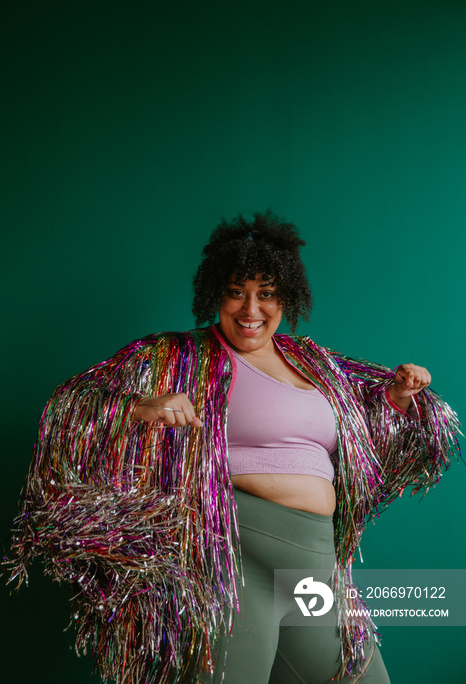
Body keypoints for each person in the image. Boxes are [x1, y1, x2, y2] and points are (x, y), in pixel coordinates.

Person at [7, 211, 460, 684]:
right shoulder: (177, 356)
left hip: (315, 561)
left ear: (286, 297)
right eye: (235, 292)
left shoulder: (315, 362)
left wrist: (397, 399)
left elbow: (362, 444)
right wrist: (141, 407)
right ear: (214, 296)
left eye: (266, 294)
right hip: (231, 555)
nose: (250, 309)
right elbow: (71, 407)